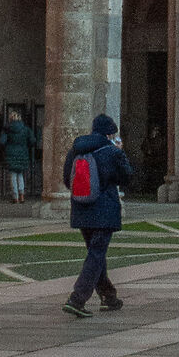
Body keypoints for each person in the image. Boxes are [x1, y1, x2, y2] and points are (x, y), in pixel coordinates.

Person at [62, 112, 133, 317]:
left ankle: (108, 296)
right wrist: (120, 153)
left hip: (81, 208)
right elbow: (127, 176)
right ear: (110, 133)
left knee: (95, 253)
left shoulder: (76, 149)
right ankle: (77, 299)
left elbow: (68, 179)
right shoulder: (112, 152)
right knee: (96, 254)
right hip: (105, 210)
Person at [1, 107, 36, 203]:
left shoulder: (7, 129)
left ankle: (15, 197)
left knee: (12, 175)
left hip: (10, 153)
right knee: (20, 174)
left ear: (10, 118)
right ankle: (22, 195)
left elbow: (2, 141)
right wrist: (25, 145)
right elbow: (33, 141)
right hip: (23, 153)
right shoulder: (26, 129)